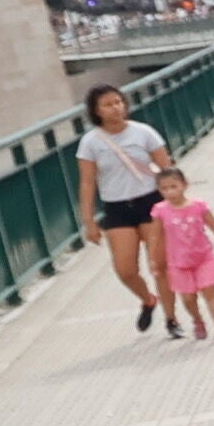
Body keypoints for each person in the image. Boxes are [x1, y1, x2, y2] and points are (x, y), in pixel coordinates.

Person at [80, 83, 175, 328]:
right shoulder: (90, 142)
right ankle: (147, 299)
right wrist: (89, 221)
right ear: (96, 111)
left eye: (118, 102)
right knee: (125, 269)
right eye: (108, 104)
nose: (115, 108)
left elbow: (166, 169)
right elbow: (88, 182)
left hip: (150, 201)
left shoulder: (144, 132)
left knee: (159, 265)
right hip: (117, 207)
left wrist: (176, 203)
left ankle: (171, 318)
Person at [153, 161, 214, 342]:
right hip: (178, 262)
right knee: (187, 297)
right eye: (164, 189)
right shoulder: (160, 211)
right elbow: (155, 237)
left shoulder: (198, 206)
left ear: (184, 185)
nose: (170, 192)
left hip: (203, 257)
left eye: (173, 186)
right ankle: (198, 320)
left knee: (210, 292)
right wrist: (154, 260)